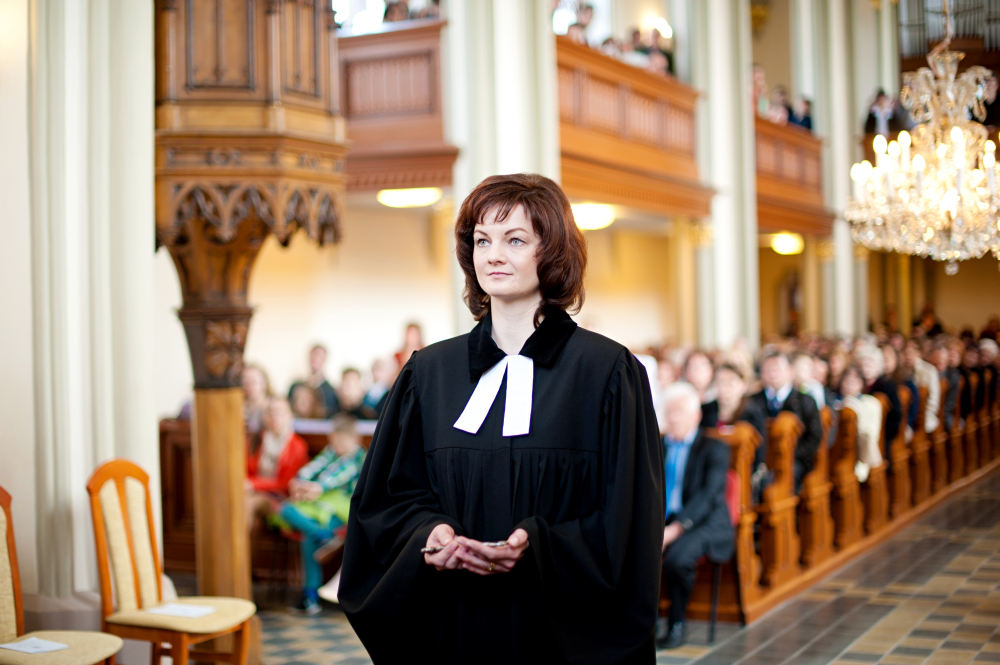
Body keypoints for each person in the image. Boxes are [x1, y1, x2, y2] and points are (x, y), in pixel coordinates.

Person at [339, 173, 664, 663]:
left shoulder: (607, 373)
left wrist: (538, 546)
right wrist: (430, 533)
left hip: (558, 635)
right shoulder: (429, 374)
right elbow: (386, 502)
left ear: (551, 250)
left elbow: (629, 522)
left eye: (515, 240)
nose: (493, 255)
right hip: (455, 627)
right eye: (482, 240)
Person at [656, 382, 733, 650]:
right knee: (633, 553)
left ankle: (676, 624)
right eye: (668, 412)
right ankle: (643, 623)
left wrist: (675, 530)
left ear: (696, 415)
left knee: (677, 560)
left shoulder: (714, 448)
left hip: (703, 521)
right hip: (663, 520)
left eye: (679, 412)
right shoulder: (657, 446)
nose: (673, 418)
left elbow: (708, 496)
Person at [276, 414, 367, 616]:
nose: (337, 446)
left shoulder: (358, 458)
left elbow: (333, 479)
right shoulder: (331, 451)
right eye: (334, 441)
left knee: (295, 521)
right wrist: (299, 482)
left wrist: (313, 488)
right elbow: (312, 468)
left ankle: (310, 597)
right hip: (322, 507)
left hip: (343, 513)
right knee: (286, 511)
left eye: (341, 442)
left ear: (354, 439)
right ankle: (322, 535)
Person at [748, 352, 823, 491]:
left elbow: (814, 437)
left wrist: (787, 454)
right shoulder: (752, 401)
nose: (773, 374)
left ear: (790, 371)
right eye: (768, 369)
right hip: (760, 461)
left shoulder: (805, 401)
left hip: (795, 460)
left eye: (777, 369)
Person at [246, 397, 310, 534]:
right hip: (254, 493)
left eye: (280, 412)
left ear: (290, 416)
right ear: (264, 417)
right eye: (270, 412)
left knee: (248, 504)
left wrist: (253, 484)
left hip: (281, 498)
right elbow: (246, 469)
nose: (275, 417)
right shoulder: (257, 440)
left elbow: (285, 483)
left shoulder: (297, 446)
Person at [838, 365, 884, 482]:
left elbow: (870, 434)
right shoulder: (834, 403)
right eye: (847, 380)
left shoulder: (871, 403)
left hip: (862, 455)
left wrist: (854, 408)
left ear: (862, 384)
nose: (850, 383)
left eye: (855, 380)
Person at [288, 344, 340, 418]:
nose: (315, 359)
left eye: (319, 357)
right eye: (313, 356)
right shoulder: (295, 386)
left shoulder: (331, 391)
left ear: (324, 360)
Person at [902, 339, 941, 435]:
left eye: (911, 353)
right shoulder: (900, 370)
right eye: (906, 353)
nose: (908, 356)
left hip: (923, 415)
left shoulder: (929, 371)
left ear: (918, 353)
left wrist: (922, 418)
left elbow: (933, 400)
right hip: (906, 415)